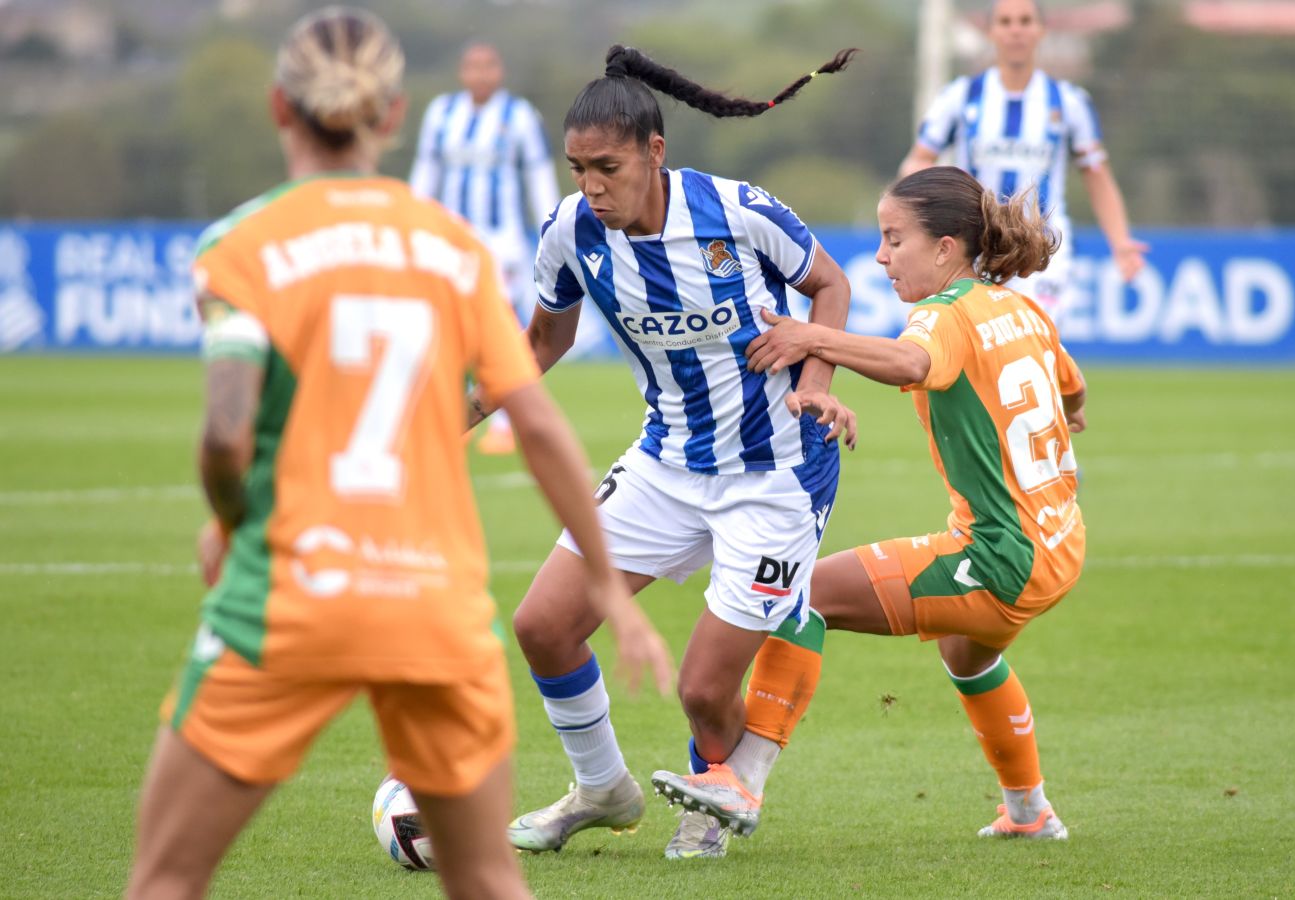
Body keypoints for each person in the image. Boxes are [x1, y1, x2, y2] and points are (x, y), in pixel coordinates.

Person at [125, 10, 671, 900]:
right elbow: (534, 426)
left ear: (278, 107)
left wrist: (230, 526)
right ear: (391, 117)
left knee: (167, 879)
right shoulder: (450, 251)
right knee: (490, 881)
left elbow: (227, 434)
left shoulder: (240, 246)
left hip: (292, 594)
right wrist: (612, 588)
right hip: (432, 606)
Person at [465, 44, 858, 860]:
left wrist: (814, 378)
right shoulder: (571, 232)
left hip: (776, 472)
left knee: (703, 690)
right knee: (543, 625)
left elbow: (829, 285)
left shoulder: (736, 211)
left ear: (654, 151)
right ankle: (602, 788)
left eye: (606, 167)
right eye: (576, 169)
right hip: (665, 461)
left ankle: (708, 801)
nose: (591, 187)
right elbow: (536, 346)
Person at [664, 165, 1086, 840]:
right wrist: (1068, 415)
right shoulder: (1019, 307)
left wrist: (811, 336)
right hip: (1061, 543)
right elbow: (1073, 388)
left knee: (798, 593)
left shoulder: (940, 313)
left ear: (945, 249)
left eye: (894, 239)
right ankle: (1028, 812)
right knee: (966, 654)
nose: (883, 256)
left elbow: (913, 364)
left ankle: (741, 781)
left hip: (1002, 554)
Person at [899, 0, 1146, 319]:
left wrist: (1121, 242)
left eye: (1025, 21)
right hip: (976, 243)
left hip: (1042, 247)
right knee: (976, 346)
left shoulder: (1069, 102)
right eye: (1006, 22)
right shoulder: (960, 96)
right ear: (991, 31)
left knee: (1038, 340)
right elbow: (917, 162)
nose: (1016, 30)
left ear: (1041, 30)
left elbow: (1096, 173)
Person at [410, 41, 561, 455]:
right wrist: (414, 228)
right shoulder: (441, 113)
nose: (480, 75)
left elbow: (539, 178)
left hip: (500, 243)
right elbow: (425, 175)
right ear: (462, 72)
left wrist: (552, 230)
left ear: (500, 72)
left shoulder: (520, 117)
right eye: (472, 67)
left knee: (502, 329)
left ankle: (505, 421)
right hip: (450, 242)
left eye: (488, 66)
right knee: (445, 327)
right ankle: (450, 417)